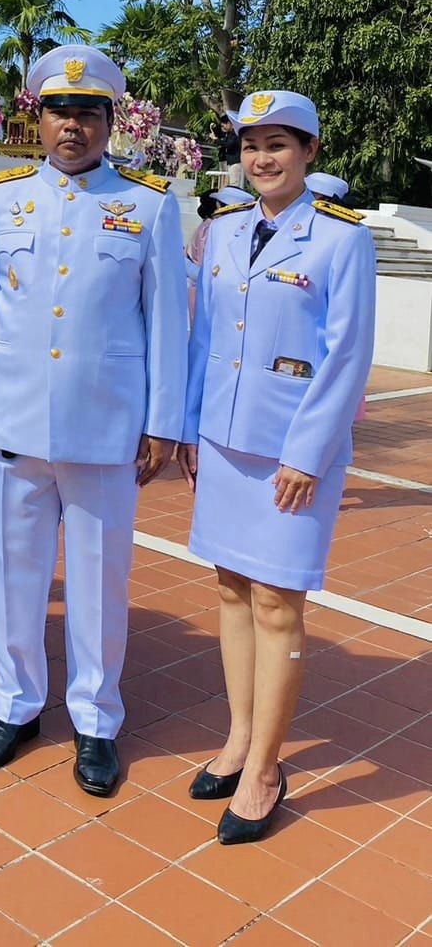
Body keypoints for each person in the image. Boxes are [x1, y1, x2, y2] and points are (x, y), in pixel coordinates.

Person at [0, 45, 189, 788]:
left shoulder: (149, 204)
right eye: (60, 110)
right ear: (39, 115)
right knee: (13, 572)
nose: (72, 126)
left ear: (108, 121)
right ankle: (16, 703)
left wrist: (163, 421)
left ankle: (95, 717)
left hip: (104, 426)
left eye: (88, 113)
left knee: (97, 579)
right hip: (13, 418)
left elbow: (166, 325)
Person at [177, 91, 376, 844]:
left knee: (276, 604)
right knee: (230, 586)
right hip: (224, 442)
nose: (261, 158)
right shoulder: (223, 230)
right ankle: (236, 737)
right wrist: (192, 428)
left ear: (309, 152)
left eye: (278, 144)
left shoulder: (338, 239)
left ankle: (265, 767)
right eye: (251, 144)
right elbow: (203, 339)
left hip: (293, 453)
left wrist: (306, 453)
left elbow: (346, 356)